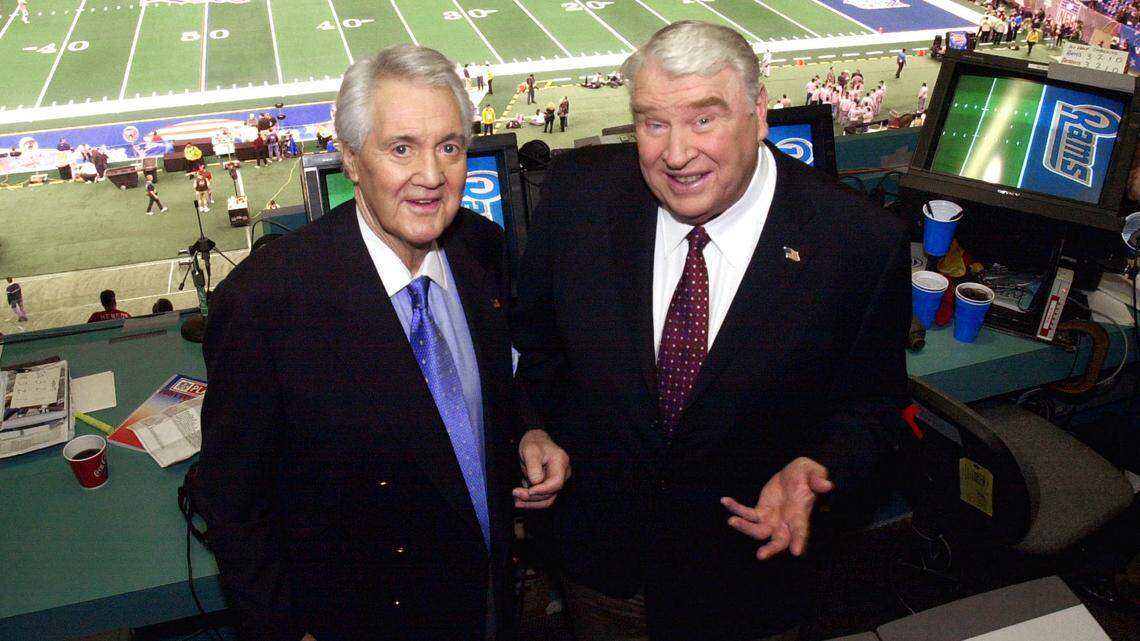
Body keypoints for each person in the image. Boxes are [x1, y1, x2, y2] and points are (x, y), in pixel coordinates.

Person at [514, 21, 909, 641]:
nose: (675, 154)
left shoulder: (857, 241)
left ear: (759, 112)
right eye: (653, 124)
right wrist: (533, 427)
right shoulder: (577, 195)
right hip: (602, 571)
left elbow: (874, 406)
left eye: (704, 119)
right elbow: (534, 351)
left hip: (747, 584)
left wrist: (820, 464)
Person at [194, 44, 569, 641]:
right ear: (350, 158)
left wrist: (528, 429)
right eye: (401, 149)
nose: (431, 176)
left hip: (487, 595)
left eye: (449, 147)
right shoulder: (266, 301)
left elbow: (498, 373)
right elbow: (235, 499)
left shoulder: (481, 247)